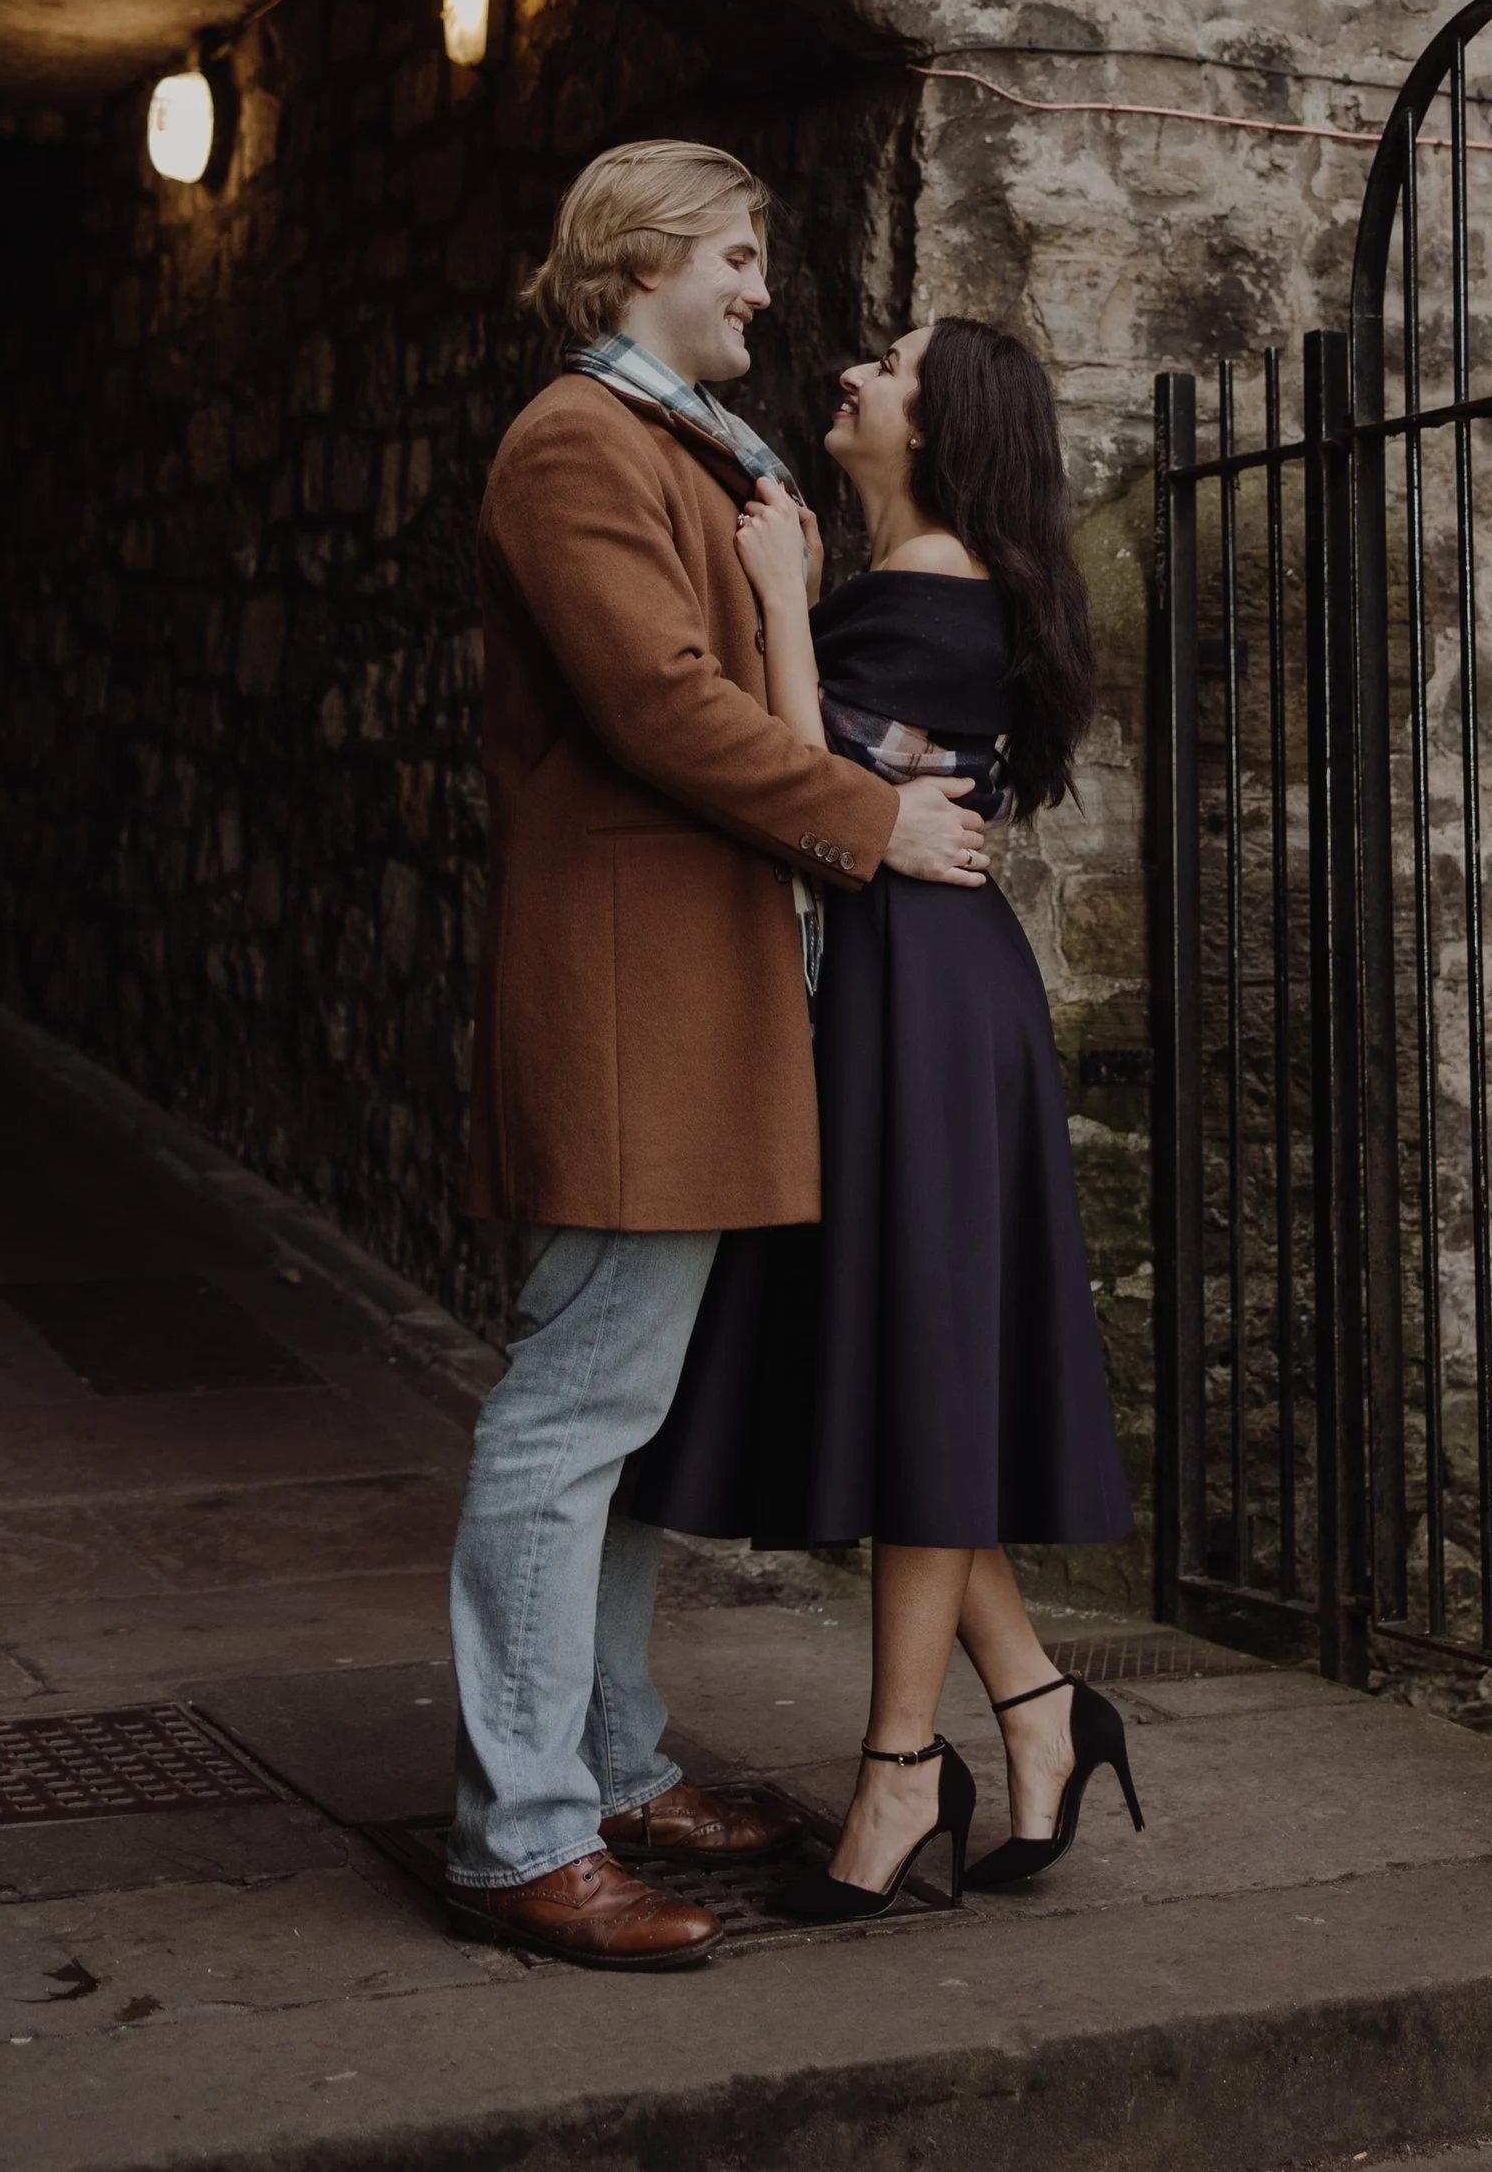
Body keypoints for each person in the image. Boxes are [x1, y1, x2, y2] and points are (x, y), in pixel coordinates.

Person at [442, 145, 997, 1970]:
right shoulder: (573, 444)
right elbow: (659, 706)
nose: (766, 287)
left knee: (624, 1415)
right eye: (742, 255)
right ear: (640, 256)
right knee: (571, 1410)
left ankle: (610, 1766)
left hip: (702, 997)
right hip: (632, 1003)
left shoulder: (689, 445)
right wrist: (873, 821)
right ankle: (522, 1832)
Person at [625, 317, 1141, 1922]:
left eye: (892, 365)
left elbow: (796, 783)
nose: (853, 372)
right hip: (913, 1000)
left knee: (923, 1375)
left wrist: (777, 600)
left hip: (919, 1012)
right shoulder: (936, 586)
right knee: (918, 1373)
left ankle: (901, 1766)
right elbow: (842, 794)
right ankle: (1043, 1710)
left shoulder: (934, 594)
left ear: (943, 423)